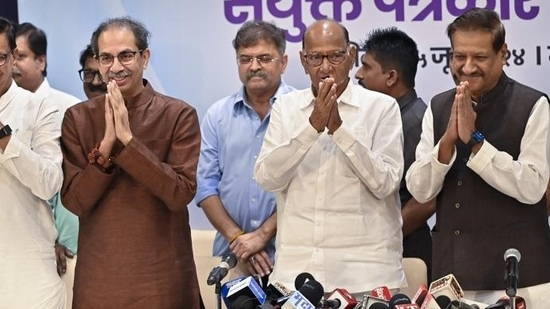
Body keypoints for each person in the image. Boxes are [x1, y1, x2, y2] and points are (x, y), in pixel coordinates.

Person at [405, 8, 550, 306]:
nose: (468, 67)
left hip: (520, 281)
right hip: (451, 279)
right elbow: (420, 190)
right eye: (459, 56)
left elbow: (533, 187)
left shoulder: (533, 105)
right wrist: (446, 144)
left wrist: (475, 142)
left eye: (480, 57)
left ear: (503, 54)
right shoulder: (439, 106)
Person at [254, 19, 406, 295]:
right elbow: (267, 178)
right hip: (298, 276)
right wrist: (312, 128)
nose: (325, 67)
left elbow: (386, 183)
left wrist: (338, 130)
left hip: (367, 275)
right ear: (303, 60)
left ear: (351, 56)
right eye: (315, 57)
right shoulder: (286, 109)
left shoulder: (381, 108)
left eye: (335, 56)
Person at [60, 16, 203, 308]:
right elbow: (75, 202)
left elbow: (179, 194)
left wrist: (128, 141)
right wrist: (107, 145)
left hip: (162, 276)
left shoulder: (178, 115)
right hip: (100, 278)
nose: (115, 67)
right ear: (97, 62)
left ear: (144, 57)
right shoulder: (78, 118)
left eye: (126, 55)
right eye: (106, 58)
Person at [196, 20, 295, 280]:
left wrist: (261, 236)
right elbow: (206, 186)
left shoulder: (303, 111)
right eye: (245, 59)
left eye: (264, 58)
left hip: (291, 255)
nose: (254, 67)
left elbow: (308, 187)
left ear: (283, 62)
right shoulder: (218, 115)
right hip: (232, 256)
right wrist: (240, 240)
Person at [354, 27, 434, 282]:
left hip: (404, 249)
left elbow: (427, 199)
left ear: (390, 77)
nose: (358, 74)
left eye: (366, 67)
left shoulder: (416, 122)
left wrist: (383, 239)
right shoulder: (384, 118)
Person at [13, 22, 82, 309]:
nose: (12, 64)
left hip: (57, 251)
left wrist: (63, 241)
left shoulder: (67, 108)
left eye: (20, 56)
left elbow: (68, 182)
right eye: (9, 56)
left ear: (41, 61)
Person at [0, 17, 65, 308]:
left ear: (13, 57)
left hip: (29, 274)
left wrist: (4, 137)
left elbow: (50, 183)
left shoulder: (38, 106)